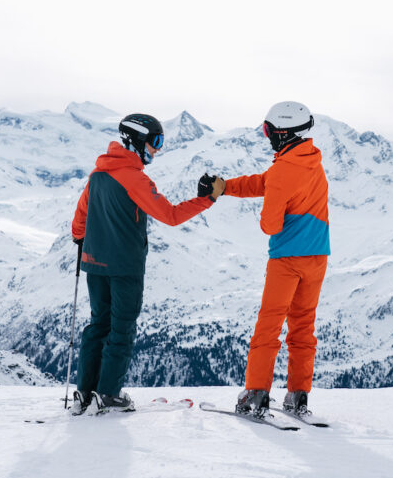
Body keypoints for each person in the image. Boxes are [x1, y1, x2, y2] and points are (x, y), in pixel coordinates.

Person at [70, 113, 225, 414]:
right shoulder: (134, 178)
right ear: (137, 141)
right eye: (155, 142)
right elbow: (170, 215)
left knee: (97, 325)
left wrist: (83, 241)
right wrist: (206, 200)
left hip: (94, 264)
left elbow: (80, 220)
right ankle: (109, 395)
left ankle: (84, 393)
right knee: (122, 329)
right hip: (125, 267)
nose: (157, 150)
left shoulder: (98, 174)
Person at [205, 101, 329, 418]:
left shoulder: (282, 171)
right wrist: (226, 187)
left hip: (287, 259)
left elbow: (269, 225)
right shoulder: (312, 161)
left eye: (267, 131)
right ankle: (297, 396)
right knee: (303, 327)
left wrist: (272, 209)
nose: (266, 136)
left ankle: (255, 395)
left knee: (269, 327)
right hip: (317, 257)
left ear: (281, 133)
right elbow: (265, 181)